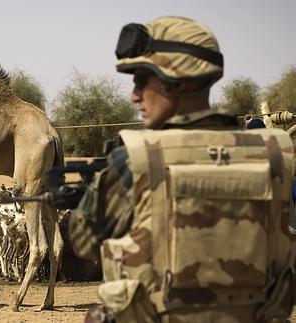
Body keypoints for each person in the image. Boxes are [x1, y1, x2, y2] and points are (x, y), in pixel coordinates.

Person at [69, 16, 294, 322]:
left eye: (140, 80)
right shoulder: (276, 155)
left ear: (177, 80)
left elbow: (83, 242)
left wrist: (93, 192)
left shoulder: (134, 159)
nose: (134, 96)